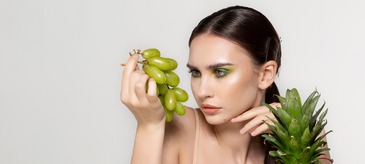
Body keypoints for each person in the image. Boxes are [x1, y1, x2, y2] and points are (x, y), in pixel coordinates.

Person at [121, 5, 332, 164]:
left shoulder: (301, 140)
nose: (201, 91)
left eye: (220, 72)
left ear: (266, 75)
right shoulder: (181, 128)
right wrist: (148, 127)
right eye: (195, 72)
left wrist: (302, 134)